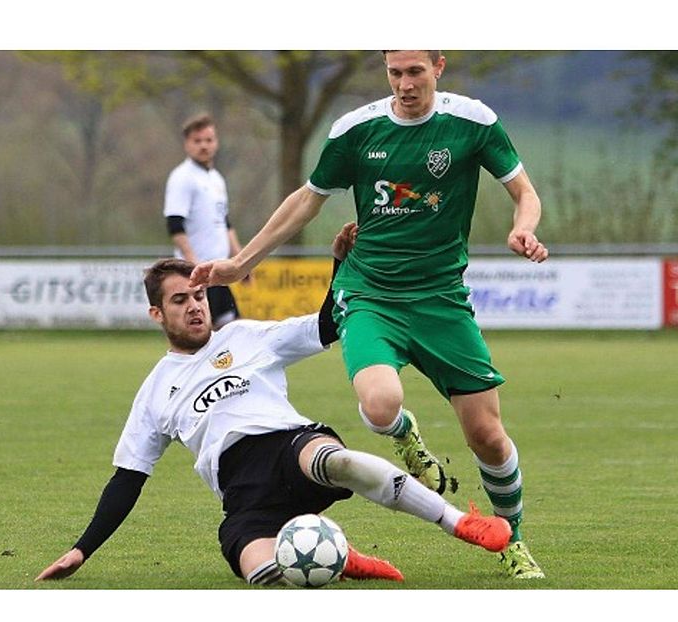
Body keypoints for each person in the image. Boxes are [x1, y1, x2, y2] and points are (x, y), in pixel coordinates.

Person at [189, 50, 547, 579]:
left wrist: (525, 227)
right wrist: (241, 263)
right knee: (380, 406)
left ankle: (512, 540)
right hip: (370, 294)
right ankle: (405, 436)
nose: (404, 84)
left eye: (415, 72)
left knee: (487, 436)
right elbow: (306, 201)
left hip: (441, 299)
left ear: (438, 67)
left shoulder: (473, 122)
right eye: (395, 72)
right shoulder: (356, 130)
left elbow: (524, 191)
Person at [37, 223, 512, 586]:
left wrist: (340, 264)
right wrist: (81, 551)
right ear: (157, 315)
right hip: (242, 494)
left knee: (335, 460)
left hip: (289, 448)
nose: (196, 306)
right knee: (265, 573)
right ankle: (340, 557)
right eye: (180, 300)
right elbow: (128, 478)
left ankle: (459, 522)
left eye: (199, 295)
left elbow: (328, 325)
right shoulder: (156, 389)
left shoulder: (246, 336)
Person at [163, 113, 246, 329]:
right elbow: (174, 224)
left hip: (216, 271)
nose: (204, 146)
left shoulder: (216, 179)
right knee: (206, 336)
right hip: (197, 273)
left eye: (208, 140)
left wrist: (241, 260)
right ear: (187, 144)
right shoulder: (183, 177)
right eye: (197, 141)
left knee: (231, 333)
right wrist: (193, 264)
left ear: (216, 142)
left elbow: (224, 221)